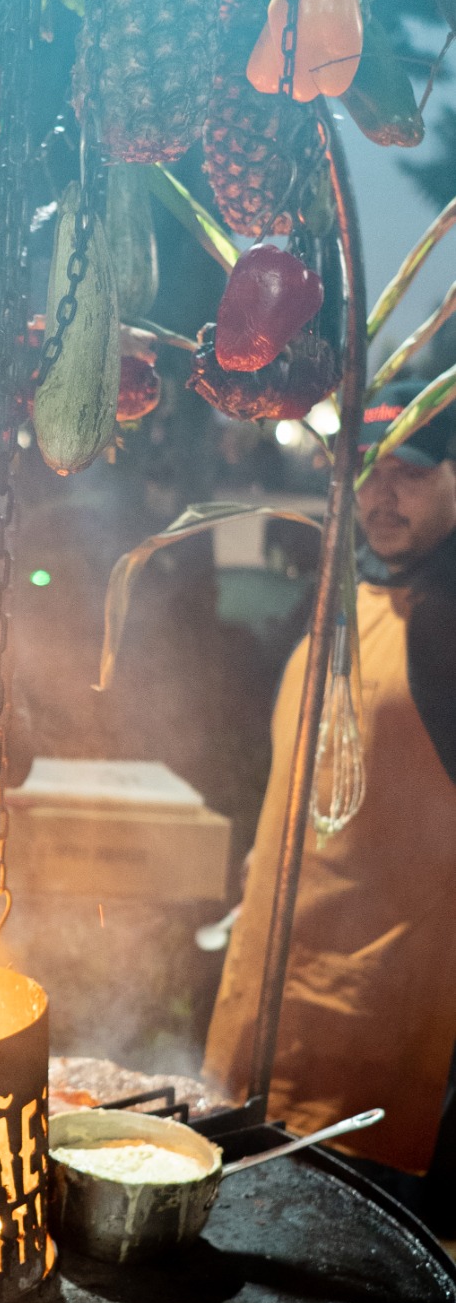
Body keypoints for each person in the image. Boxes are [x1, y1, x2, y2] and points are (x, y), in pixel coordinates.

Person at [204, 381, 456, 1222]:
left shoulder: (446, 619)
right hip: (270, 1013)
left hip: (375, 1053)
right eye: (369, 470)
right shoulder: (347, 596)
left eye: (410, 473)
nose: (383, 494)